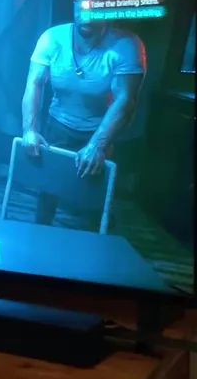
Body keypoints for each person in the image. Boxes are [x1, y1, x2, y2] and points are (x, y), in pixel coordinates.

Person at [21, 14, 146, 225]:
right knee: (48, 193)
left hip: (99, 129)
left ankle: (96, 232)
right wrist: (29, 130)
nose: (86, 15)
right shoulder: (52, 38)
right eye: (82, 4)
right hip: (59, 124)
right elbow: (34, 83)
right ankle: (40, 231)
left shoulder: (126, 45)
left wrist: (98, 145)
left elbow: (126, 99)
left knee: (94, 200)